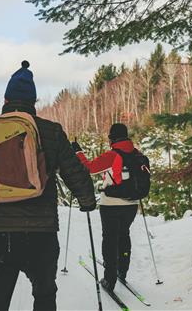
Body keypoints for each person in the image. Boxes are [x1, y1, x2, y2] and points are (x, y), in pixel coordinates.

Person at [0, 61, 96, 311]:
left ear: (5, 99)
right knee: (44, 297)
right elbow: (75, 173)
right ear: (33, 102)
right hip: (40, 234)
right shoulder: (51, 132)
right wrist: (87, 201)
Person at [71, 123, 139, 292]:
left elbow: (90, 167)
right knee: (124, 235)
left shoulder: (113, 155)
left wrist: (78, 152)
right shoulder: (137, 154)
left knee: (110, 240)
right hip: (132, 205)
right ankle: (122, 271)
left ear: (112, 139)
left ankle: (109, 279)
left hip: (111, 205)